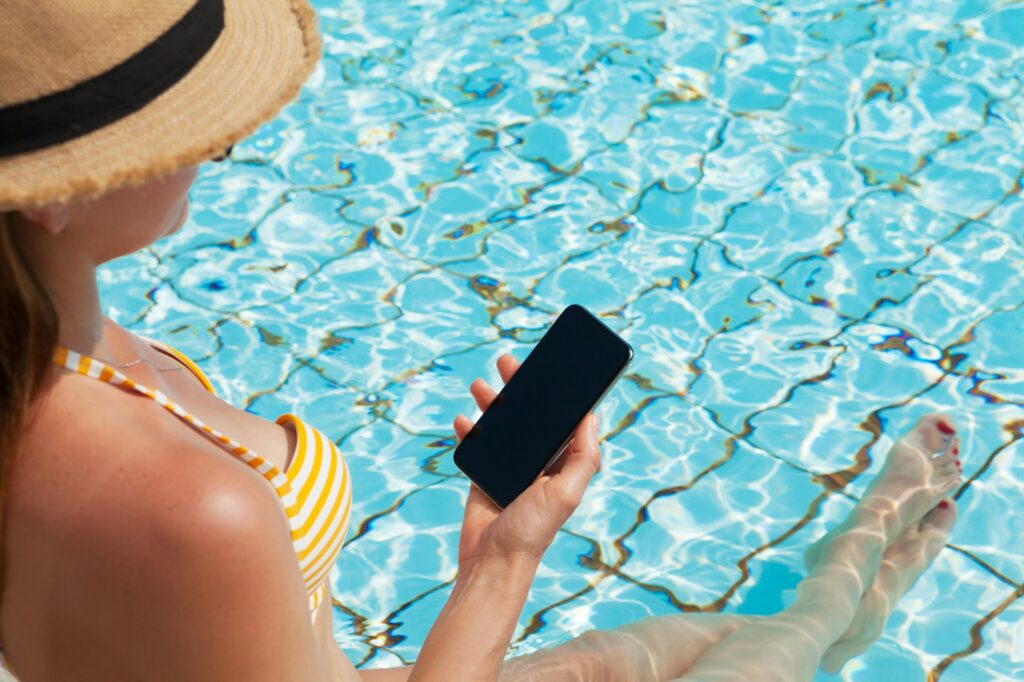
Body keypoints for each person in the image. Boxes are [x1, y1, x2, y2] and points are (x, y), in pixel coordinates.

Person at [0, 2, 963, 680]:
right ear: (53, 195)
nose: (221, 139)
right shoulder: (192, 505)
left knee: (686, 645)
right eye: (173, 122)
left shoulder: (43, 370)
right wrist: (505, 559)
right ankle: (839, 603)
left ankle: (841, 608)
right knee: (765, 655)